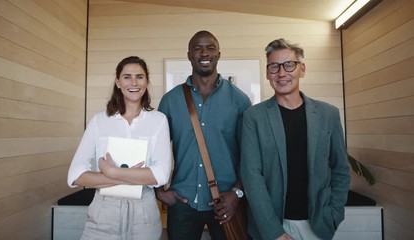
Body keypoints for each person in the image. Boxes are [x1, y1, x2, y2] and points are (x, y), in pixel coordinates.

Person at [240, 38, 351, 240]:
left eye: (289, 65)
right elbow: (251, 176)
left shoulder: (328, 114)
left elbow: (340, 169)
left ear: (302, 69)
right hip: (273, 226)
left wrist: (334, 214)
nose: (282, 73)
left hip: (318, 225)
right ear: (267, 73)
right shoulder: (253, 117)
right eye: (274, 67)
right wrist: (273, 232)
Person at [156, 30, 252, 240]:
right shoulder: (170, 100)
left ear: (218, 54)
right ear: (189, 55)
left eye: (210, 47)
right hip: (183, 201)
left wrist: (237, 193)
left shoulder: (240, 101)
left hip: (226, 204)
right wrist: (158, 191)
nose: (204, 53)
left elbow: (250, 155)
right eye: (197, 48)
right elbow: (153, 150)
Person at [67, 56, 172, 240]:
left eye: (139, 77)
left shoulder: (158, 120)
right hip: (103, 212)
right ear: (117, 82)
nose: (133, 83)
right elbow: (75, 175)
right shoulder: (99, 121)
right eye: (127, 77)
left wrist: (113, 172)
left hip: (144, 215)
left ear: (147, 81)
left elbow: (161, 175)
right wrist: (132, 177)